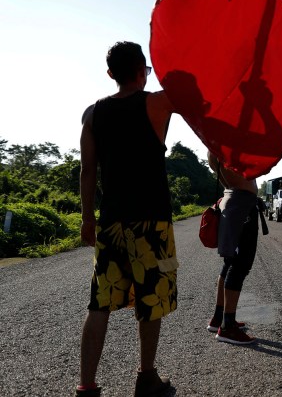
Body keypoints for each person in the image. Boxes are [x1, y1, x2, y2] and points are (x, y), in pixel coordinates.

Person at [77, 41, 177, 397]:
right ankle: (146, 378)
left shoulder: (92, 113)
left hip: (111, 222)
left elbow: (88, 170)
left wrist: (88, 218)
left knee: (99, 302)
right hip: (152, 221)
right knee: (151, 300)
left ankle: (86, 386)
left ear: (110, 74)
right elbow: (195, 93)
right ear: (141, 70)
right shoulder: (157, 102)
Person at [206, 151, 261, 345]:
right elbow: (258, 167)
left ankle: (219, 318)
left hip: (234, 200)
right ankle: (227, 326)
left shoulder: (215, 149)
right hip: (241, 205)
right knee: (239, 265)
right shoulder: (229, 147)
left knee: (230, 263)